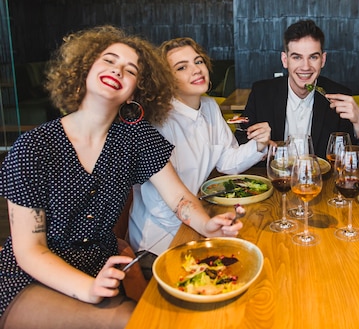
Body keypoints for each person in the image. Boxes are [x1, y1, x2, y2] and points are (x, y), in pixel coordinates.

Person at [0, 26, 243, 329]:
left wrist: (207, 224)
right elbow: (29, 250)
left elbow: (178, 197)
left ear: (136, 90)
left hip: (103, 270)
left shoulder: (135, 137)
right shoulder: (34, 147)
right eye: (109, 61)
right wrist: (87, 288)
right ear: (84, 69)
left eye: (130, 70)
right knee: (131, 321)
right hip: (35, 278)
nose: (118, 71)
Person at [129, 37, 270, 262]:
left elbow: (227, 162)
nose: (196, 70)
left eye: (198, 61)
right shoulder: (159, 121)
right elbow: (160, 205)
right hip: (160, 240)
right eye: (182, 67)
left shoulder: (210, 106)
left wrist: (259, 144)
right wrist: (201, 227)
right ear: (166, 80)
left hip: (197, 219)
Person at [235, 19, 359, 159]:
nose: (305, 67)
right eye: (297, 57)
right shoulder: (261, 93)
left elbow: (354, 163)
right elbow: (241, 139)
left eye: (313, 57)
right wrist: (260, 149)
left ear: (323, 60)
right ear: (285, 60)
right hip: (273, 178)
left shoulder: (339, 95)